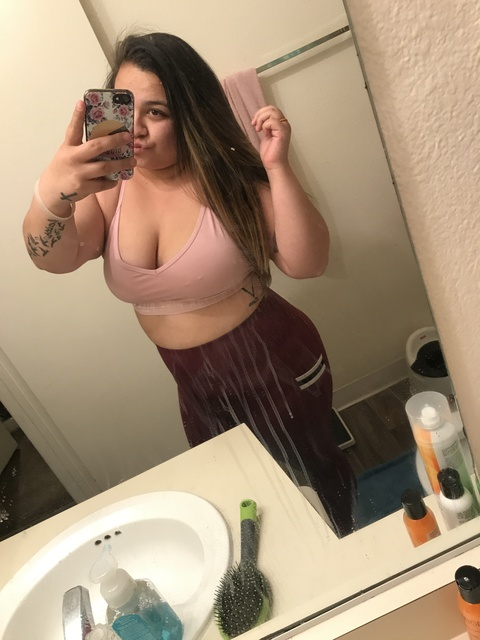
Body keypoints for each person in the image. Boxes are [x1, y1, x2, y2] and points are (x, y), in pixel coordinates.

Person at [22, 32, 356, 537]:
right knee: (245, 495)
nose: (137, 128)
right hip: (196, 385)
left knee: (314, 476)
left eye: (156, 112)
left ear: (190, 112)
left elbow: (307, 262)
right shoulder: (110, 187)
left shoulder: (227, 178)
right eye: (127, 107)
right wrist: (53, 193)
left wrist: (277, 167)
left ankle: (352, 550)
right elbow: (53, 258)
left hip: (275, 363)